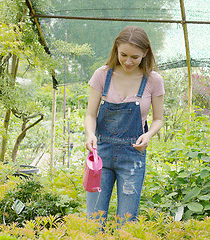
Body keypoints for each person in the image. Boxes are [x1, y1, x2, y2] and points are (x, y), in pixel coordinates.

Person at [84, 26, 164, 223]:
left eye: (135, 57)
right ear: (116, 49)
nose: (128, 61)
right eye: (124, 55)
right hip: (100, 154)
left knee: (126, 221)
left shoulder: (153, 80)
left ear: (146, 53)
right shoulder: (102, 75)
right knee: (94, 219)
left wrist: (149, 135)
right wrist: (90, 134)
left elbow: (158, 119)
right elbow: (90, 115)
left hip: (133, 156)